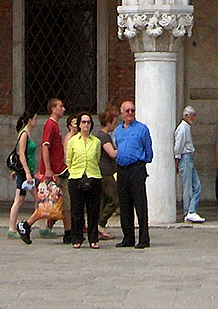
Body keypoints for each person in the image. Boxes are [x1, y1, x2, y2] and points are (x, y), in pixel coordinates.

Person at [108, 98, 153, 248]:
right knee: (125, 203)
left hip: (136, 168)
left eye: (132, 110)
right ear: (121, 113)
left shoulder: (142, 129)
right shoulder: (118, 131)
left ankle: (144, 238)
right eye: (127, 110)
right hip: (122, 169)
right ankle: (128, 237)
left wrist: (140, 164)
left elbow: (148, 152)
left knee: (140, 204)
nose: (130, 113)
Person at [65, 111, 103, 247]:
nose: (86, 125)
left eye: (88, 122)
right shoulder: (73, 141)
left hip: (93, 176)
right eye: (83, 122)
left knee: (93, 210)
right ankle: (77, 238)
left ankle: (93, 239)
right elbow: (68, 160)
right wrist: (75, 172)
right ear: (79, 125)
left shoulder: (97, 142)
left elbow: (97, 158)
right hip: (76, 177)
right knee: (77, 210)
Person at [38, 98, 74, 242]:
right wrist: (48, 169)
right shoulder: (50, 125)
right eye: (60, 106)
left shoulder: (55, 126)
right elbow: (45, 146)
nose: (63, 109)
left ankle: (69, 231)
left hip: (59, 170)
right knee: (52, 203)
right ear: (53, 109)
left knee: (63, 203)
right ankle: (26, 224)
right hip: (55, 172)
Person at [10, 112, 37, 243]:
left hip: (27, 172)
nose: (36, 121)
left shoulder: (27, 133)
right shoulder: (24, 134)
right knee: (20, 200)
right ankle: (12, 228)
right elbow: (21, 154)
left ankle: (15, 227)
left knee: (34, 199)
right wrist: (26, 173)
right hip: (25, 173)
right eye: (35, 118)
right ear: (30, 120)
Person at [174, 105, 204, 223]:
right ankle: (188, 212)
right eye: (192, 115)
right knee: (187, 187)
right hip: (185, 158)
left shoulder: (186, 127)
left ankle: (191, 210)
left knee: (197, 186)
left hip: (188, 158)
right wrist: (177, 158)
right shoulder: (182, 128)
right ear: (186, 116)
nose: (194, 118)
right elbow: (178, 145)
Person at [95, 106, 118, 237]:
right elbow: (112, 153)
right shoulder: (103, 136)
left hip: (105, 171)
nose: (114, 126)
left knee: (104, 200)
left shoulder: (103, 135)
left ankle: (99, 226)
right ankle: (100, 223)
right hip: (105, 172)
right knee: (114, 199)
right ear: (108, 123)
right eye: (114, 123)